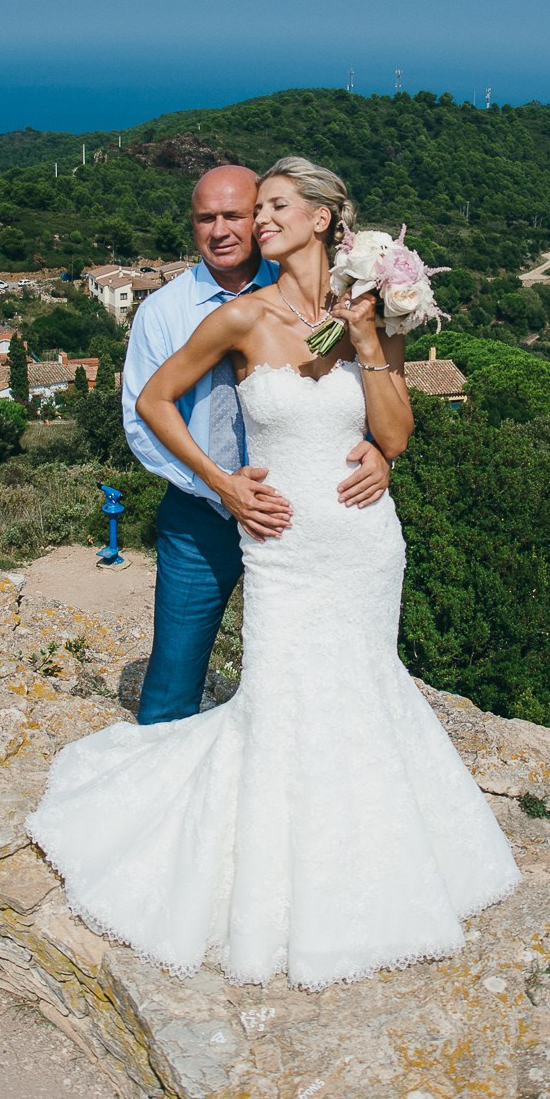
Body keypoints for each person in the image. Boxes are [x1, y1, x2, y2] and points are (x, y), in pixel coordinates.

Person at [27, 157, 519, 989]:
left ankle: (372, 862)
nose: (253, 225)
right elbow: (150, 402)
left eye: (271, 209)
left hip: (363, 544)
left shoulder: (371, 311)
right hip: (280, 546)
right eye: (247, 214)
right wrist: (221, 482)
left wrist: (368, 348)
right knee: (279, 702)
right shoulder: (235, 317)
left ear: (325, 219)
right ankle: (278, 880)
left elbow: (394, 434)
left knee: (363, 691)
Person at [118, 163, 392, 725]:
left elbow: (348, 401)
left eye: (236, 215)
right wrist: (222, 487)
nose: (220, 229)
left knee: (314, 676)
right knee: (173, 680)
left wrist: (379, 453)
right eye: (204, 218)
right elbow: (143, 419)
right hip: (201, 516)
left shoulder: (315, 291)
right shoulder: (160, 312)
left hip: (310, 523)